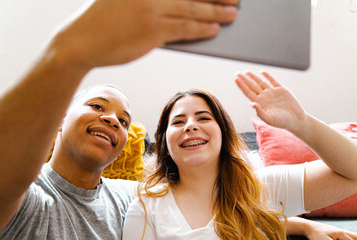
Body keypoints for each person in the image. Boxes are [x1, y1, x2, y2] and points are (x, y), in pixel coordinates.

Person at [0, 0, 240, 238]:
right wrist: (69, 50)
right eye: (96, 106)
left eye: (124, 121)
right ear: (59, 119)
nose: (113, 120)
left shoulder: (134, 197)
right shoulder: (26, 191)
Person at [122, 71, 357, 239]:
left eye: (204, 118)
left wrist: (302, 124)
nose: (190, 126)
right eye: (178, 121)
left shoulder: (262, 186)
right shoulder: (146, 206)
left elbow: (353, 175)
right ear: (163, 143)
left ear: (224, 134)